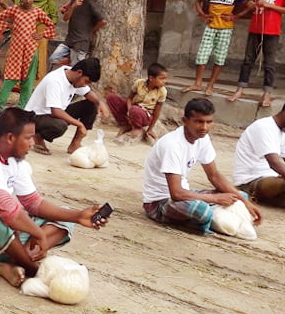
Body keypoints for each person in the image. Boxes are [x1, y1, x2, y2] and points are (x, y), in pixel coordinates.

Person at [0, 107, 107, 287]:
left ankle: (12, 262)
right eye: (28, 137)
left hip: (2, 234)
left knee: (65, 216)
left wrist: (78, 216)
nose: (33, 142)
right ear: (10, 138)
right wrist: (37, 233)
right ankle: (34, 270)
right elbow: (8, 211)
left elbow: (34, 203)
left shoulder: (14, 158)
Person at [142, 98, 262, 233]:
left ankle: (212, 218)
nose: (204, 127)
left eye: (209, 122)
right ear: (185, 121)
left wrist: (244, 202)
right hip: (159, 203)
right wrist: (215, 199)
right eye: (199, 121)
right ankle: (210, 218)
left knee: (239, 196)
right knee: (202, 211)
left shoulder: (203, 139)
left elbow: (214, 175)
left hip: (185, 195)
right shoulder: (172, 145)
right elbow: (176, 193)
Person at [228, 0, 285, 107]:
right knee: (248, 60)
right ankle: (240, 89)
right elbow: (255, 4)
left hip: (272, 29)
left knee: (269, 63)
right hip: (256, 26)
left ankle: (266, 94)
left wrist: (269, 5)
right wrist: (252, 5)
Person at [183, 0, 248, 96]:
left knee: (220, 58)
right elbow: (198, 1)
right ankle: (198, 83)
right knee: (202, 55)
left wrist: (235, 17)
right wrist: (202, 14)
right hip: (210, 27)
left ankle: (211, 85)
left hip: (226, 28)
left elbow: (249, 5)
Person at [25, 58, 107, 155]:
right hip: (35, 117)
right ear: (79, 72)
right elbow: (56, 111)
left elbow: (88, 93)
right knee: (60, 126)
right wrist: (79, 124)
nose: (85, 85)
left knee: (91, 104)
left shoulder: (73, 77)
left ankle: (75, 144)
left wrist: (99, 103)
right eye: (86, 81)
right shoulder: (55, 80)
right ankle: (37, 136)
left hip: (53, 115)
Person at [0, 0, 56, 108]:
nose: (28, 1)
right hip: (15, 51)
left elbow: (50, 25)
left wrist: (42, 35)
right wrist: (9, 26)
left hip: (31, 50)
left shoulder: (37, 11)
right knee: (9, 77)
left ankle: (22, 107)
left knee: (28, 81)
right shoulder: (14, 10)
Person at [233, 103, 285, 207]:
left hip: (273, 180)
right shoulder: (264, 126)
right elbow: (274, 163)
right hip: (250, 182)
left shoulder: (282, 132)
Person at [50, 0, 107, 69]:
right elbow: (65, 18)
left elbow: (103, 21)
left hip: (81, 42)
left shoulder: (90, 3)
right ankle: (69, 60)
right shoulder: (73, 0)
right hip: (69, 40)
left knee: (75, 68)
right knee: (53, 59)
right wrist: (73, 6)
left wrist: (91, 31)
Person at [106, 63, 169, 143]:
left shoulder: (162, 92)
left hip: (146, 115)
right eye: (162, 79)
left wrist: (150, 129)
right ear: (151, 78)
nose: (165, 81)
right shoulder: (139, 83)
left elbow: (156, 112)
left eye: (165, 79)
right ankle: (125, 124)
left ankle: (137, 128)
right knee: (111, 98)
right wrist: (129, 110)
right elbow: (130, 98)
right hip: (134, 108)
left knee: (136, 110)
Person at [27, 0, 59, 81]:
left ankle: (37, 81)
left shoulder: (48, 1)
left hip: (41, 32)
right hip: (25, 31)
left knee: (39, 56)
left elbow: (54, 18)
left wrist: (44, 27)